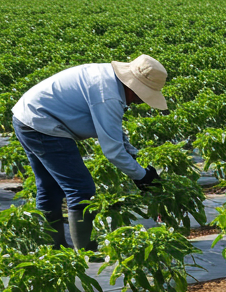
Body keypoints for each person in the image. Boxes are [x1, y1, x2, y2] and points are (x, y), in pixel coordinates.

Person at [11, 55, 168, 250]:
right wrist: (142, 176)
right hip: (43, 124)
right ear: (133, 86)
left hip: (27, 116)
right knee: (81, 189)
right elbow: (112, 151)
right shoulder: (108, 94)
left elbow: (114, 131)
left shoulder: (109, 80)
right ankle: (86, 252)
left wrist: (133, 156)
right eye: (140, 96)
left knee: (49, 186)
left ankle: (52, 249)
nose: (138, 101)